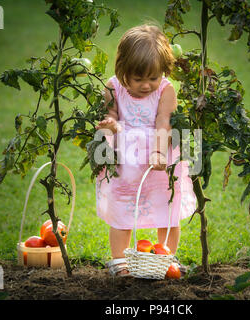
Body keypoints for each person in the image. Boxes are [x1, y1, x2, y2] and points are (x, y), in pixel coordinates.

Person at [94, 24, 197, 276]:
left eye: (153, 77)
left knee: (167, 208)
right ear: (122, 71)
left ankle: (165, 258)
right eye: (138, 79)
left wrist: (160, 152)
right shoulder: (112, 87)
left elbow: (164, 122)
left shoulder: (166, 89)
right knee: (122, 207)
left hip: (157, 162)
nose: (146, 85)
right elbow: (112, 117)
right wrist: (110, 126)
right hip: (126, 163)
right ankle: (120, 261)